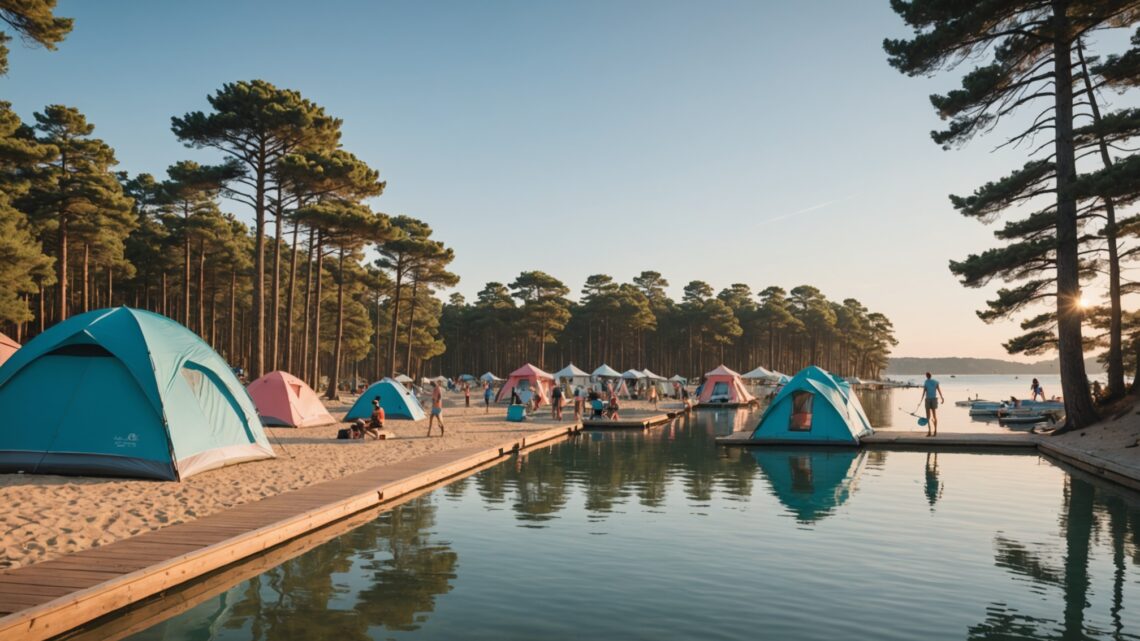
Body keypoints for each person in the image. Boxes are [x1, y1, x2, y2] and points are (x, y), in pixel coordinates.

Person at [919, 371, 945, 437]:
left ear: (926, 376)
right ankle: (935, 431)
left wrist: (921, 400)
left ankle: (929, 432)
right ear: (931, 376)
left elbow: (924, 391)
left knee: (928, 417)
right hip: (934, 399)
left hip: (928, 400)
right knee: (934, 416)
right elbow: (939, 390)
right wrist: (942, 398)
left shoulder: (926, 382)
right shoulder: (936, 382)